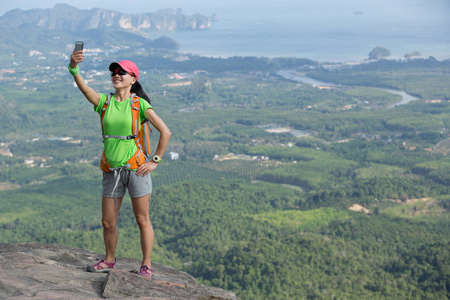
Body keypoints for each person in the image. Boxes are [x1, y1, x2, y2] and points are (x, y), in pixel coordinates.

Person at [68, 46, 171, 279]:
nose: (116, 75)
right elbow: (84, 88)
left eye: (121, 72)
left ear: (133, 79)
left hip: (137, 169)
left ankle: (146, 265)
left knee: (142, 219)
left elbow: (165, 131)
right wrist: (73, 67)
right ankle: (109, 260)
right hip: (111, 170)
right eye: (113, 72)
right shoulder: (104, 102)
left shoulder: (140, 105)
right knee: (107, 221)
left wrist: (154, 161)